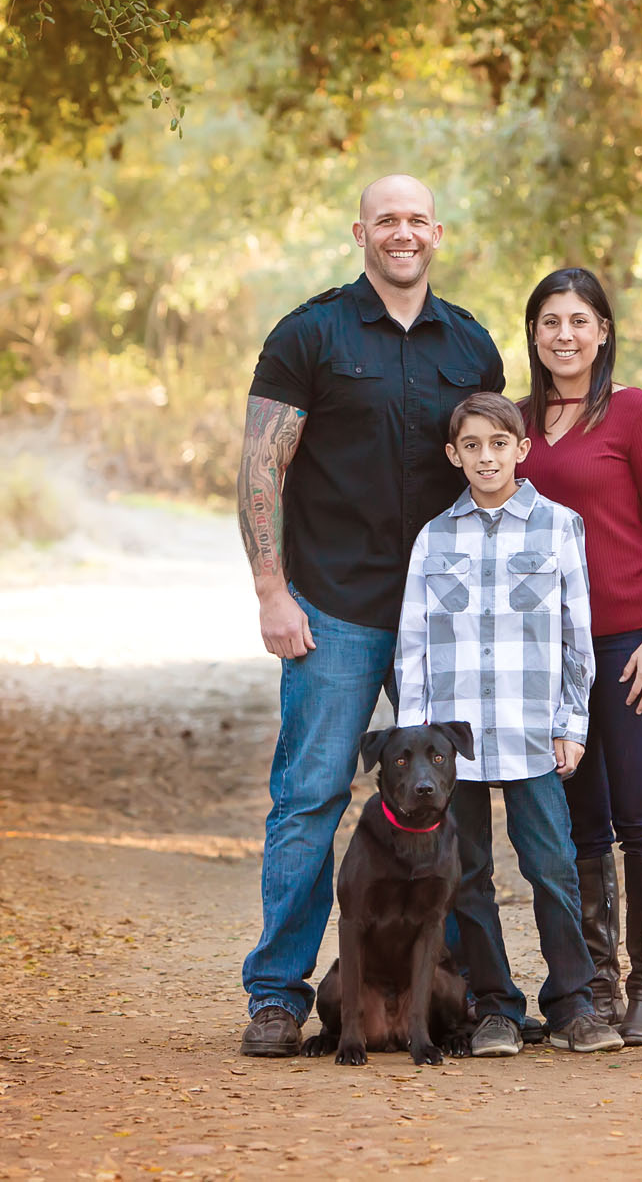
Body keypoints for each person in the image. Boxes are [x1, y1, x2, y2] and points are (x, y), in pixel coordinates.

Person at [236, 174, 505, 1057]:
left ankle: (456, 999)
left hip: (440, 614)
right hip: (335, 608)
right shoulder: (308, 332)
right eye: (385, 219)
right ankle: (277, 993)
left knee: (452, 800)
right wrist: (272, 589)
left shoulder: (470, 343)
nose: (402, 233)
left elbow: (494, 467)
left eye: (416, 220)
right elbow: (261, 467)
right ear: (361, 231)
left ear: (439, 232)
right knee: (309, 796)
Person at [396, 391, 624, 1057]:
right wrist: (416, 745)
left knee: (551, 865)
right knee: (466, 874)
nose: (487, 456)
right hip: (453, 746)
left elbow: (576, 635)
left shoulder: (558, 527)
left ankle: (573, 1002)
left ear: (521, 449)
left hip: (531, 731)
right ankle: (495, 1004)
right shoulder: (436, 537)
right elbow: (414, 645)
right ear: (454, 454)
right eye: (472, 445)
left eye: (500, 443)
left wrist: (571, 721)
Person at [516, 267, 642, 1046]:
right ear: (534, 334)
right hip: (552, 654)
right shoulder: (514, 423)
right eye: (550, 321)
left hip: (629, 648)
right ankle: (595, 985)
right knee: (580, 819)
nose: (564, 335)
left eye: (579, 320)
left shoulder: (634, 414)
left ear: (604, 331)